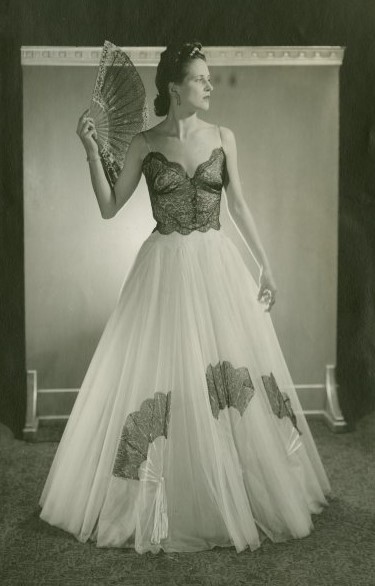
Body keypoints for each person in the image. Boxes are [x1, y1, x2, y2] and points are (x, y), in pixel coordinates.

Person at [39, 40, 331, 555]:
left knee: (226, 380)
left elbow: (238, 204)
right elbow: (109, 208)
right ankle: (176, 495)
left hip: (218, 267)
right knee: (166, 377)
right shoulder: (144, 143)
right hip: (165, 270)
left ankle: (238, 490)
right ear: (175, 88)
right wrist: (90, 152)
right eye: (201, 79)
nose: (210, 85)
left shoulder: (224, 137)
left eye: (209, 77)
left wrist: (265, 263)